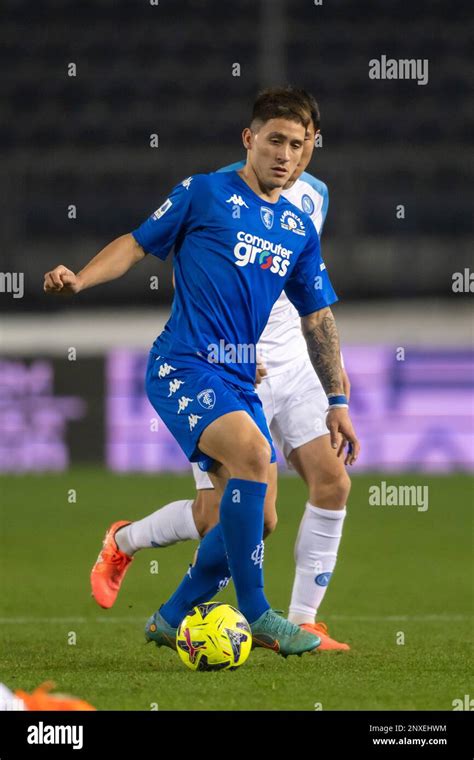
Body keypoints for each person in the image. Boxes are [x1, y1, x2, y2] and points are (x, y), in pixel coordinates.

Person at [44, 87, 359, 657]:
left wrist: (337, 399)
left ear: (310, 150)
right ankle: (260, 613)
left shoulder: (297, 228)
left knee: (256, 520)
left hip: (240, 376)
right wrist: (82, 280)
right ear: (249, 139)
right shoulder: (204, 193)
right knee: (254, 458)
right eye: (274, 142)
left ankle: (168, 616)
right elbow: (137, 246)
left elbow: (318, 318)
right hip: (183, 364)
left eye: (296, 145)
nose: (284, 155)